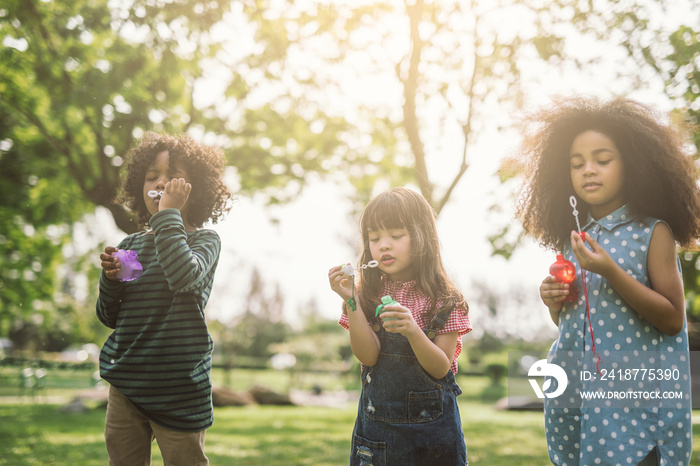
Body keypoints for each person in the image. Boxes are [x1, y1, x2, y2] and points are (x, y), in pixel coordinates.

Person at [516, 96, 700, 466]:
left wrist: (610, 271)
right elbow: (575, 323)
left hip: (634, 405)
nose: (588, 170)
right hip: (580, 397)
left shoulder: (651, 232)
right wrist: (555, 303)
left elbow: (671, 319)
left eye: (603, 160)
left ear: (632, 165)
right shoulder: (575, 238)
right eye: (577, 163)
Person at [96, 132, 232, 465]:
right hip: (127, 385)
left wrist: (168, 214)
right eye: (151, 176)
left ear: (194, 188)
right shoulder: (131, 244)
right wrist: (111, 280)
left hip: (180, 389)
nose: (161, 183)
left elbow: (182, 275)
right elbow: (110, 316)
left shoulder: (205, 241)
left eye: (173, 176)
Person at [328, 187, 472, 465]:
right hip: (377, 434)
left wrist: (412, 331)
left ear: (422, 239)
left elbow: (440, 368)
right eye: (374, 237)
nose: (383, 245)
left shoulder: (444, 300)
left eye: (395, 236)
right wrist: (352, 300)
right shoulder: (366, 296)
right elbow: (368, 356)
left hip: (433, 439)